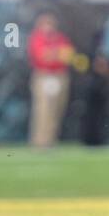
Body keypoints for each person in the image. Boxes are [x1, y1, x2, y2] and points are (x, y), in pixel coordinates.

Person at [28, 12, 74, 147]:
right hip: (43, 76)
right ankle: (40, 141)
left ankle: (51, 140)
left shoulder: (60, 38)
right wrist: (56, 54)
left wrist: (54, 54)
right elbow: (41, 56)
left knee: (57, 110)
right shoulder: (37, 38)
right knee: (43, 110)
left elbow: (67, 55)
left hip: (59, 76)